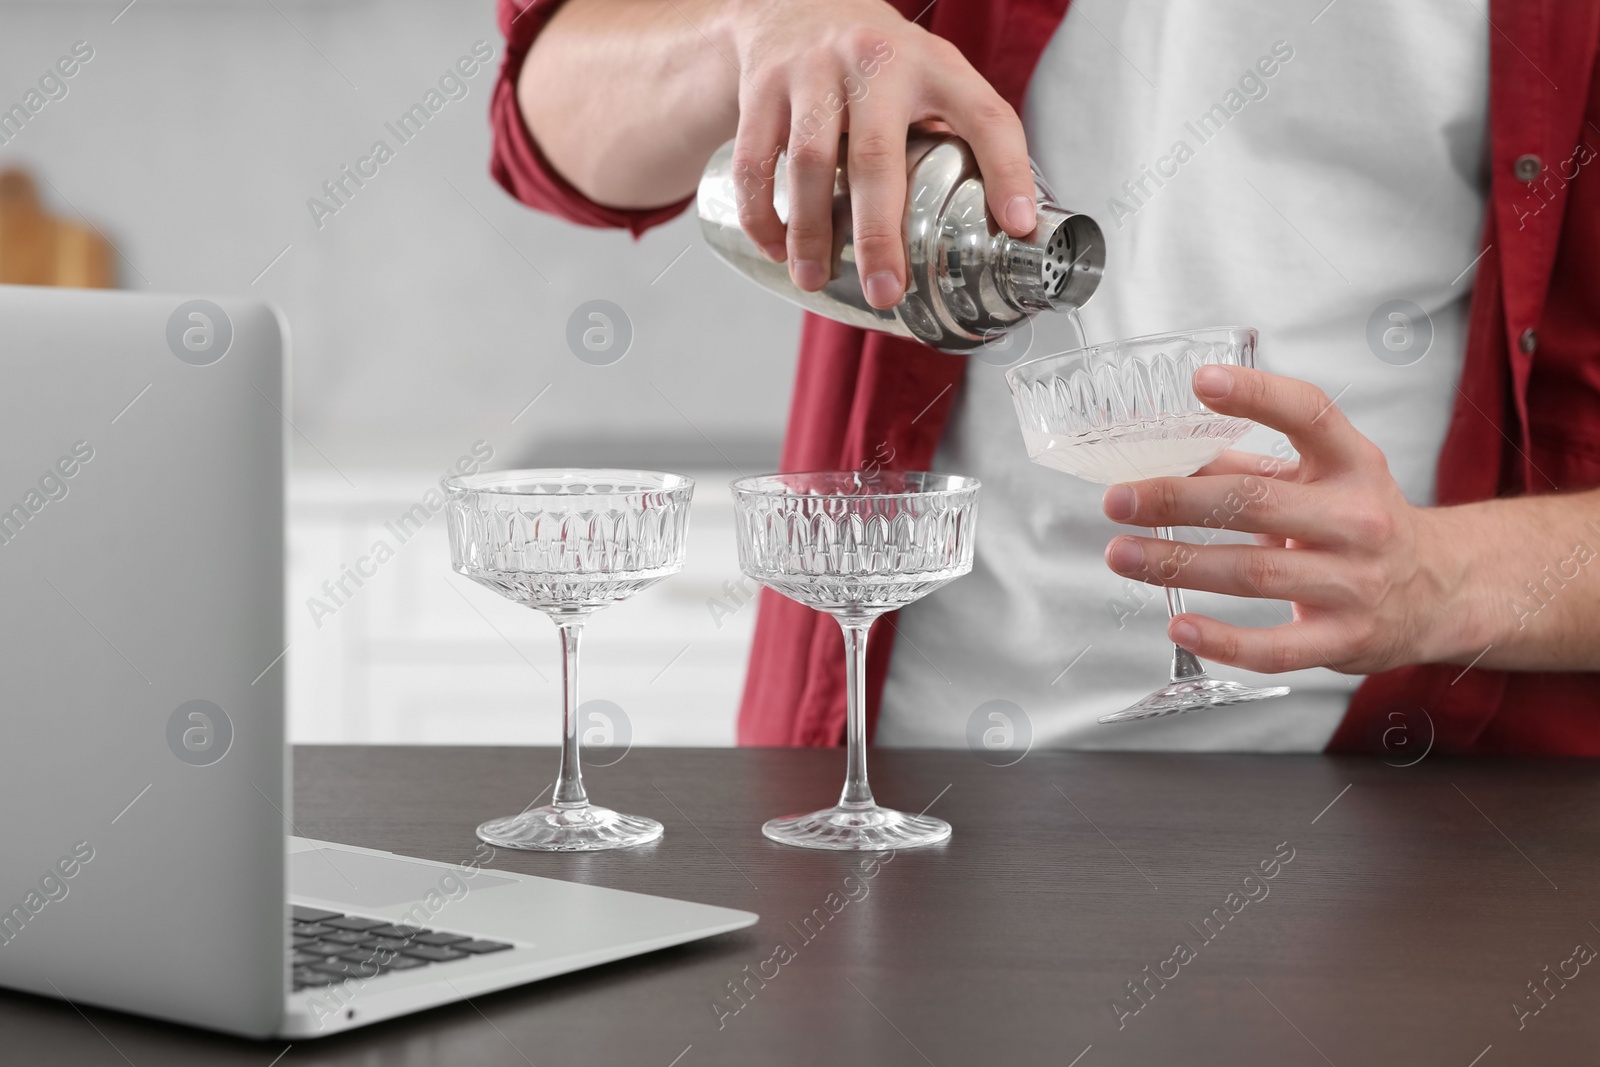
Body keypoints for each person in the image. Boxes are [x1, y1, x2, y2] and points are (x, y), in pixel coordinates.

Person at [490, 0, 1600, 754]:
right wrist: (751, 28)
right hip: (910, 769)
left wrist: (1439, 579)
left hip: (1416, 804)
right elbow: (545, 118)